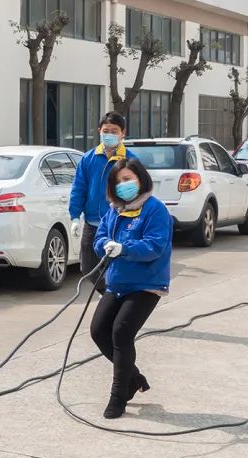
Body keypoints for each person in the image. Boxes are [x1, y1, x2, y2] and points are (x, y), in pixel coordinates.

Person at [90, 158, 173, 420]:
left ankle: (118, 397)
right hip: (117, 282)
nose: (123, 185)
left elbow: (155, 246)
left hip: (147, 284)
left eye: (128, 179)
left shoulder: (154, 209)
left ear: (140, 179)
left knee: (121, 333)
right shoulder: (114, 210)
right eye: (118, 181)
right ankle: (134, 378)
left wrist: (125, 248)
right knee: (98, 331)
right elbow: (100, 236)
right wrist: (104, 245)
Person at [69, 111, 138, 285]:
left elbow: (139, 192)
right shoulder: (88, 159)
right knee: (88, 269)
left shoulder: (130, 160)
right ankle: (109, 295)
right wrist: (75, 217)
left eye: (114, 131)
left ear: (123, 133)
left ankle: (112, 298)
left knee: (115, 267)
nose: (109, 135)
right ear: (99, 130)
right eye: (106, 130)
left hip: (118, 224)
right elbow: (78, 189)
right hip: (92, 224)